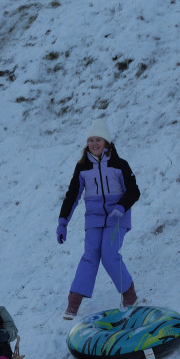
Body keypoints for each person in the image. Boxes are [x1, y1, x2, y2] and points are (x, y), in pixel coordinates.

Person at [56, 118, 142, 320]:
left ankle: (129, 294)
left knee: (109, 253)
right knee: (90, 254)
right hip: (94, 218)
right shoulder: (83, 168)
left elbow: (134, 191)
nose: (94, 144)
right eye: (90, 140)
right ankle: (73, 302)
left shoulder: (120, 165)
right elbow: (72, 195)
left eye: (98, 139)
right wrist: (63, 221)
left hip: (117, 217)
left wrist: (122, 206)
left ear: (107, 142)